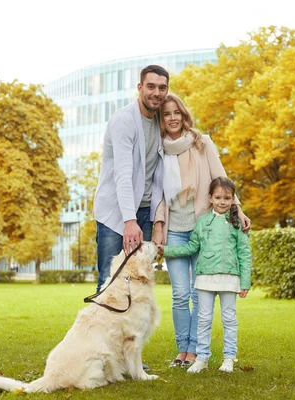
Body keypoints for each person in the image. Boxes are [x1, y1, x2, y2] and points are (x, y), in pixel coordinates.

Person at [152, 94, 250, 368]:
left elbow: (221, 177)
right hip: (174, 229)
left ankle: (195, 352)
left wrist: (238, 208)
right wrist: (159, 226)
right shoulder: (159, 150)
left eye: (177, 113)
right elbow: (157, 192)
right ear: (162, 119)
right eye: (166, 114)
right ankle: (182, 349)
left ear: (184, 115)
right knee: (180, 293)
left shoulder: (202, 142)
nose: (172, 118)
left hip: (202, 227)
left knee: (198, 293)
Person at [158, 176, 251, 373]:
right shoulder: (202, 222)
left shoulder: (236, 223)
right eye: (218, 197)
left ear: (233, 199)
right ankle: (201, 357)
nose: (222, 202)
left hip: (229, 278)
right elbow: (192, 246)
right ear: (210, 198)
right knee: (203, 319)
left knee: (229, 319)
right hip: (205, 278)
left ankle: (229, 358)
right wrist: (166, 251)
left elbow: (244, 253)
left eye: (227, 198)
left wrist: (245, 282)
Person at [93, 64, 169, 293]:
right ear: (140, 87)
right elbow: (123, 175)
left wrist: (158, 223)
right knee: (110, 279)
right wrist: (129, 221)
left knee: (139, 280)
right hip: (116, 213)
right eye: (151, 86)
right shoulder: (123, 121)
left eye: (162, 87)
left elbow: (161, 177)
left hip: (145, 212)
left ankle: (130, 330)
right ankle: (102, 328)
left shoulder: (161, 122)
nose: (156, 93)